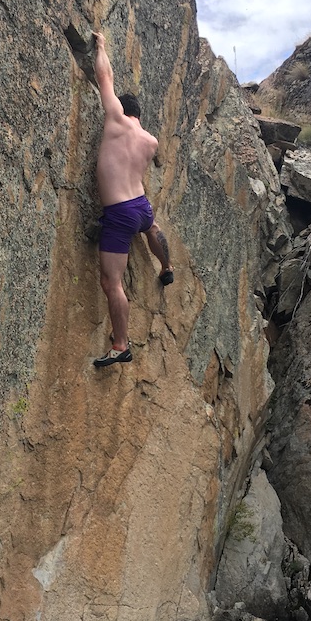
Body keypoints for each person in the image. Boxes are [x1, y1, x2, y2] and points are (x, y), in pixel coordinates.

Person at [92, 31, 174, 368]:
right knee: (151, 226)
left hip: (120, 212)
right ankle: (167, 266)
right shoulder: (150, 141)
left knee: (111, 282)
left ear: (123, 110)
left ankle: (121, 344)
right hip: (141, 207)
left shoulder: (116, 120)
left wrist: (101, 46)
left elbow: (105, 77)